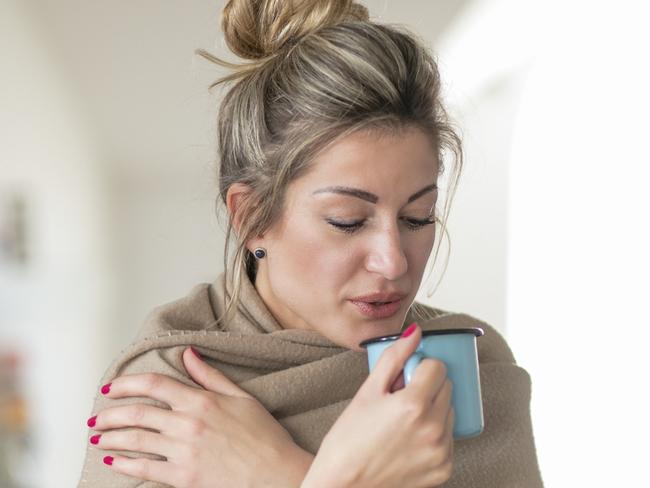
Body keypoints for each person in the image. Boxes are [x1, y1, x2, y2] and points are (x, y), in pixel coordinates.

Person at [78, 1, 543, 486]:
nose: (392, 260)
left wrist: (283, 476)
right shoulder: (167, 395)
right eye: (347, 221)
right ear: (252, 216)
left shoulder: (473, 371)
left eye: (416, 217)